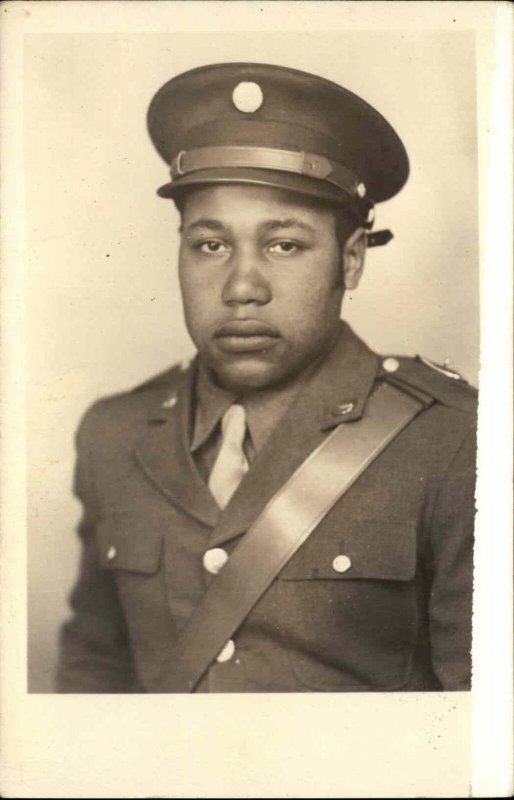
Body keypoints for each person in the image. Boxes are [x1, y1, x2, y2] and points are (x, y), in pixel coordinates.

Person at [57, 63, 476, 693]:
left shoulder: (454, 443)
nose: (241, 288)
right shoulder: (112, 435)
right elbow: (93, 680)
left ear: (351, 259)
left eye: (283, 245)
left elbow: (485, 738)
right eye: (210, 245)